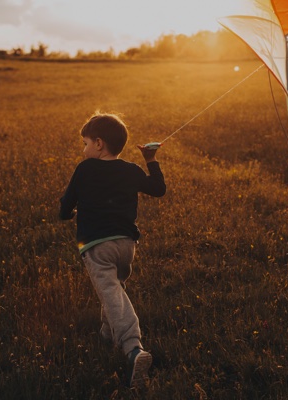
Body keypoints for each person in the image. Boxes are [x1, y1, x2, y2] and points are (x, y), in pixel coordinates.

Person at [59, 111, 166, 388]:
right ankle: (107, 335)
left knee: (110, 292)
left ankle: (133, 349)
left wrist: (66, 212)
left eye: (85, 143)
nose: (83, 150)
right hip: (126, 246)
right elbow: (157, 189)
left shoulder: (84, 169)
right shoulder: (130, 170)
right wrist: (151, 160)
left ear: (98, 143)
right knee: (115, 289)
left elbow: (65, 203)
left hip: (97, 246)